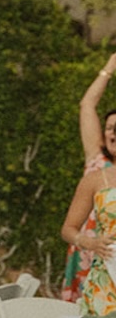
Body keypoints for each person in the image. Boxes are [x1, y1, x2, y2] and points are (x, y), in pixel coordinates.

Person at [61, 54, 116, 303]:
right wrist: (109, 68)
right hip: (89, 254)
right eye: (110, 128)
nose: (113, 133)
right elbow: (87, 105)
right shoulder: (97, 162)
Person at [61, 117, 116, 318]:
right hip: (107, 279)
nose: (113, 133)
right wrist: (89, 242)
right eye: (110, 129)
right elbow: (68, 229)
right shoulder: (94, 180)